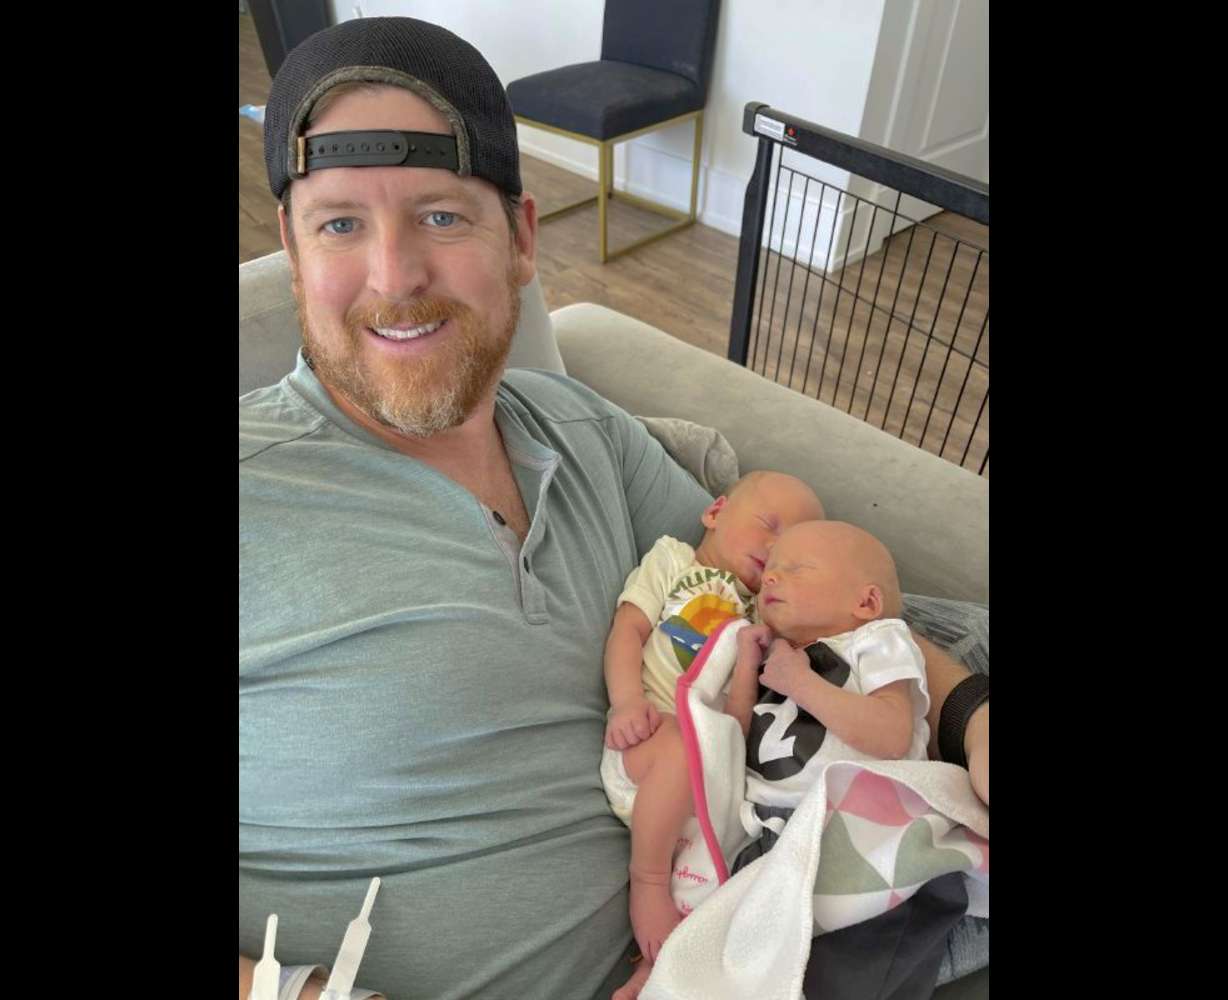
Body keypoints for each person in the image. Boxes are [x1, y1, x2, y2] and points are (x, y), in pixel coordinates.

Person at [238, 16, 989, 1000]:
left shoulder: (582, 427)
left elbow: (785, 593)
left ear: (521, 239)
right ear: (293, 251)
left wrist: (969, 707)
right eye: (339, 224)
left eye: (442, 216)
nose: (394, 277)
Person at [600, 471, 824, 966]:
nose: (775, 549)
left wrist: (753, 661)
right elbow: (628, 630)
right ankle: (648, 882)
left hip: (711, 782)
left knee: (751, 865)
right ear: (716, 512)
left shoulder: (763, 619)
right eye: (768, 525)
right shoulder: (674, 559)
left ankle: (659, 970)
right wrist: (626, 701)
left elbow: (738, 722)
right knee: (683, 745)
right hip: (647, 744)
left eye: (791, 553)